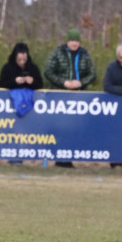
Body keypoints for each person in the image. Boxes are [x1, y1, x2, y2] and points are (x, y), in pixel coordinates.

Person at [46, 28, 96, 167]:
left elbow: (92, 74)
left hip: (78, 97)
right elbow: (48, 71)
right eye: (72, 40)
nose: (74, 43)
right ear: (67, 41)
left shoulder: (85, 55)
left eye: (76, 41)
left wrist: (81, 82)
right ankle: (59, 159)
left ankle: (69, 158)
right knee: (60, 128)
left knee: (74, 128)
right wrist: (64, 82)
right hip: (60, 97)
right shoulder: (57, 53)